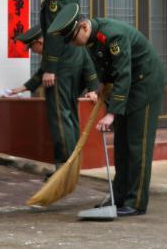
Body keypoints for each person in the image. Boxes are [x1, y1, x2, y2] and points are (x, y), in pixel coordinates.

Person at [48, 3, 167, 217]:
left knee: (136, 145)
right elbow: (105, 67)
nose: (74, 44)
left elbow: (124, 73)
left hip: (145, 84)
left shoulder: (113, 36)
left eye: (74, 38)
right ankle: (118, 196)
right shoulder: (92, 39)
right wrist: (101, 87)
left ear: (83, 26)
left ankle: (136, 201)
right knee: (121, 145)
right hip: (127, 87)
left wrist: (111, 113)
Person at [17, 0, 89, 168]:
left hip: (62, 64)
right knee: (69, 115)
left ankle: (63, 167)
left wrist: (50, 68)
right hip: (73, 60)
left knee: (59, 116)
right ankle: (72, 163)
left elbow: (55, 33)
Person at [5, 25, 99, 173]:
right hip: (73, 88)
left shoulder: (53, 52)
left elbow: (46, 69)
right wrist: (93, 88)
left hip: (58, 84)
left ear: (40, 42)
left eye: (31, 47)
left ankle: (63, 170)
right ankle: (72, 165)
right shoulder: (70, 41)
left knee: (60, 124)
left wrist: (93, 89)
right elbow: (87, 62)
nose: (34, 52)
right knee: (71, 121)